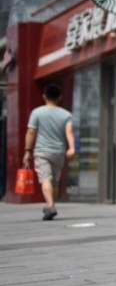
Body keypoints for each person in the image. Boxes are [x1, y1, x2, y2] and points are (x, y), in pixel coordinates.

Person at [22, 83, 75, 221]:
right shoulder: (66, 114)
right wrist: (72, 147)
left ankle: (50, 206)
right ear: (60, 97)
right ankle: (49, 205)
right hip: (58, 152)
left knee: (46, 179)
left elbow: (31, 132)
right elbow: (69, 131)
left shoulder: (37, 112)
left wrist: (27, 151)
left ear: (44, 96)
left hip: (41, 151)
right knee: (55, 182)